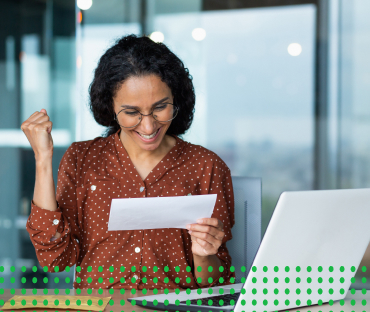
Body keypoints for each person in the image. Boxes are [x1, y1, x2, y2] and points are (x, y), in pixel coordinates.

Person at [21, 35, 235, 290]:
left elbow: (218, 284)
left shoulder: (206, 166)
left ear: (176, 100)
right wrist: (42, 159)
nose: (148, 125)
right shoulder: (82, 159)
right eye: (132, 112)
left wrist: (203, 255)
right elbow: (54, 258)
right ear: (110, 107)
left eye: (160, 107)